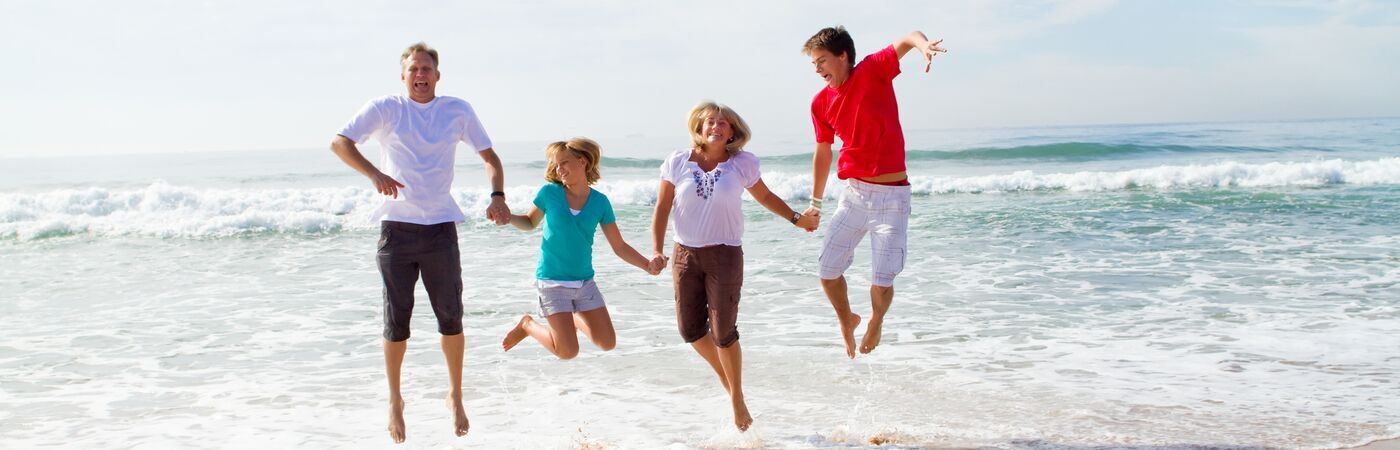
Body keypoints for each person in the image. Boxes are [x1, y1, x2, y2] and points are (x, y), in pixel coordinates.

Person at [330, 42, 510, 443]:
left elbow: (491, 158)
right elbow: (340, 142)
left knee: (452, 319)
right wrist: (375, 174)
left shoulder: (456, 110)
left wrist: (497, 196)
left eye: (427, 68)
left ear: (437, 75)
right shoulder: (387, 108)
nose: (420, 75)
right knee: (397, 324)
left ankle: (456, 395)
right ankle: (395, 400)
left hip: (441, 229)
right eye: (413, 69)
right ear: (403, 75)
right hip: (396, 229)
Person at [650, 101, 818, 432]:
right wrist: (656, 249)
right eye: (710, 121)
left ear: (733, 132)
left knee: (723, 333)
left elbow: (766, 197)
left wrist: (797, 219)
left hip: (725, 255)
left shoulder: (742, 164)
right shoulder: (677, 162)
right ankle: (732, 388)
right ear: (698, 127)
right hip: (685, 255)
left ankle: (736, 398)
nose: (716, 127)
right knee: (690, 330)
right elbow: (662, 207)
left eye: (723, 123)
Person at [800, 26, 947, 358]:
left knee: (882, 279)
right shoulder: (820, 103)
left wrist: (923, 46)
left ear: (843, 56)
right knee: (827, 271)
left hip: (892, 198)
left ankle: (877, 319)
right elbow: (823, 152)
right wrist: (815, 203)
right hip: (853, 195)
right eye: (814, 64)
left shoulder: (871, 70)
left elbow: (910, 36)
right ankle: (846, 319)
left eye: (822, 61)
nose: (818, 69)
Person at [500, 138, 661, 359]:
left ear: (582, 161)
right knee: (568, 352)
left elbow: (619, 245)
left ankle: (572, 318)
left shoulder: (600, 202)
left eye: (564, 162)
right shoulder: (550, 193)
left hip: (585, 282)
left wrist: (647, 265)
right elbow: (529, 223)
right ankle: (527, 325)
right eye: (556, 165)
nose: (559, 169)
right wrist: (508, 218)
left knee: (607, 342)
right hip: (552, 282)